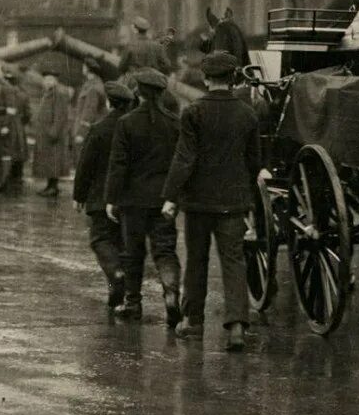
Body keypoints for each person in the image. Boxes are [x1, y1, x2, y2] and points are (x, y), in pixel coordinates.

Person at [161, 52, 263, 349]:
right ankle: (237, 327)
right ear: (233, 79)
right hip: (233, 202)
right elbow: (254, 161)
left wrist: (171, 197)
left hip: (198, 203)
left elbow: (184, 159)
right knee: (234, 260)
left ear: (205, 79)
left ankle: (193, 322)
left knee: (197, 260)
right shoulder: (247, 114)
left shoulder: (193, 112)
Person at [105, 68, 182, 325]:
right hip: (163, 199)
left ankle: (133, 304)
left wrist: (111, 199)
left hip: (133, 201)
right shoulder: (174, 123)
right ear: (161, 93)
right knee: (165, 251)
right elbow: (179, 163)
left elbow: (119, 165)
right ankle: (171, 294)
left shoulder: (126, 123)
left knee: (133, 253)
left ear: (137, 91)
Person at [73, 82, 134, 312]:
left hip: (100, 196)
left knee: (99, 240)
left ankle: (115, 275)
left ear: (109, 103)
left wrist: (79, 194)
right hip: (127, 197)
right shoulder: (134, 126)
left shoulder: (99, 128)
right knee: (120, 243)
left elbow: (85, 164)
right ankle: (118, 294)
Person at [32, 69, 74, 197]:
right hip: (46, 133)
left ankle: (53, 187)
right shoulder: (48, 93)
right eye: (46, 79)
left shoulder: (58, 94)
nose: (47, 82)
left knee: (54, 161)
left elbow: (60, 115)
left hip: (53, 134)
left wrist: (53, 132)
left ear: (55, 81)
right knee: (49, 161)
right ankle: (50, 185)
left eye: (50, 79)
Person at [0, 65, 25, 193]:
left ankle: (3, 182)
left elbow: (12, 109)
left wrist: (6, 125)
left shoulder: (7, 88)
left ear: (2, 74)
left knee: (5, 153)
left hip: (3, 125)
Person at [73, 60, 108, 152]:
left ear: (88, 69)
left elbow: (90, 111)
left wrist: (81, 133)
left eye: (84, 66)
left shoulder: (93, 88)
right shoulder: (93, 84)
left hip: (88, 132)